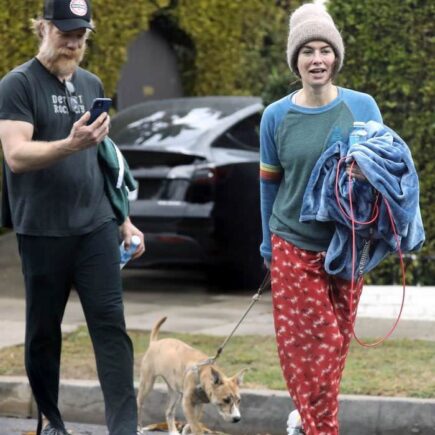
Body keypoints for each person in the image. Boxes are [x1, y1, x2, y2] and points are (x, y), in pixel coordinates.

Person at [0, 1, 144, 434]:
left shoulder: (90, 83)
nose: (73, 42)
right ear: (42, 28)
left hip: (96, 227)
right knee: (43, 334)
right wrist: (68, 144)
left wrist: (123, 220)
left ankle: (124, 429)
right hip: (42, 230)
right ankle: (54, 422)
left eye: (81, 34)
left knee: (111, 329)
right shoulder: (17, 85)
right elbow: (16, 156)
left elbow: (104, 159)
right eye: (65, 33)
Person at [259, 3, 383, 435]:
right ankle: (320, 428)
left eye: (324, 51)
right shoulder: (276, 116)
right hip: (292, 242)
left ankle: (305, 418)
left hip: (348, 245)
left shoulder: (363, 107)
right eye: (307, 51)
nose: (317, 59)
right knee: (314, 343)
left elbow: (387, 171)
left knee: (336, 345)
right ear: (295, 60)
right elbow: (269, 187)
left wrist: (364, 171)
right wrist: (265, 246)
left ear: (336, 57)